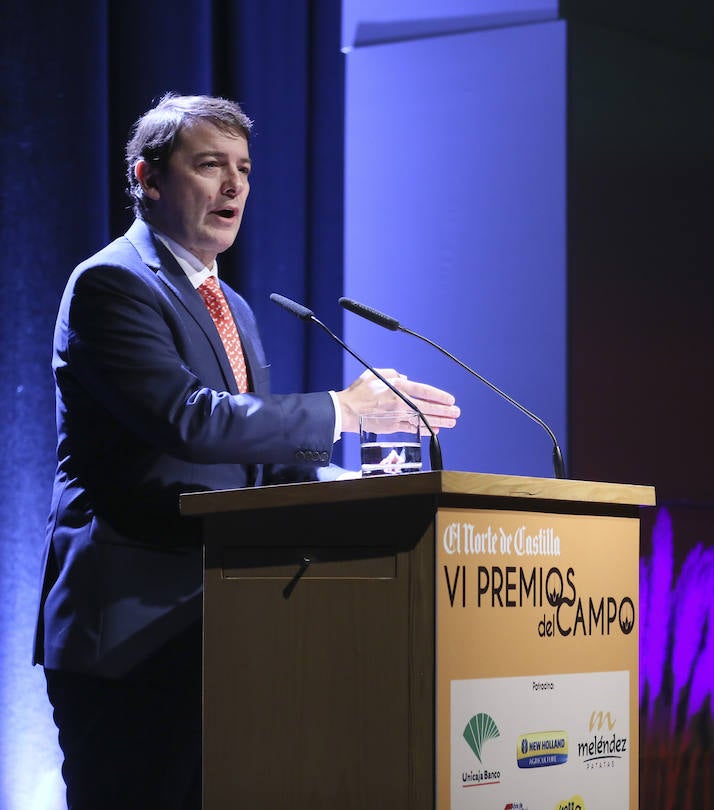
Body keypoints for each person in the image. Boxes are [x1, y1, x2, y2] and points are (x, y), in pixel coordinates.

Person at [33, 93, 461, 809]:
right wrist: (343, 410)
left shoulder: (233, 308)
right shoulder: (111, 284)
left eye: (244, 169)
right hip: (132, 629)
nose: (234, 187)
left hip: (227, 627)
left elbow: (267, 468)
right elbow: (190, 422)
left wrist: (380, 484)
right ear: (148, 177)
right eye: (210, 166)